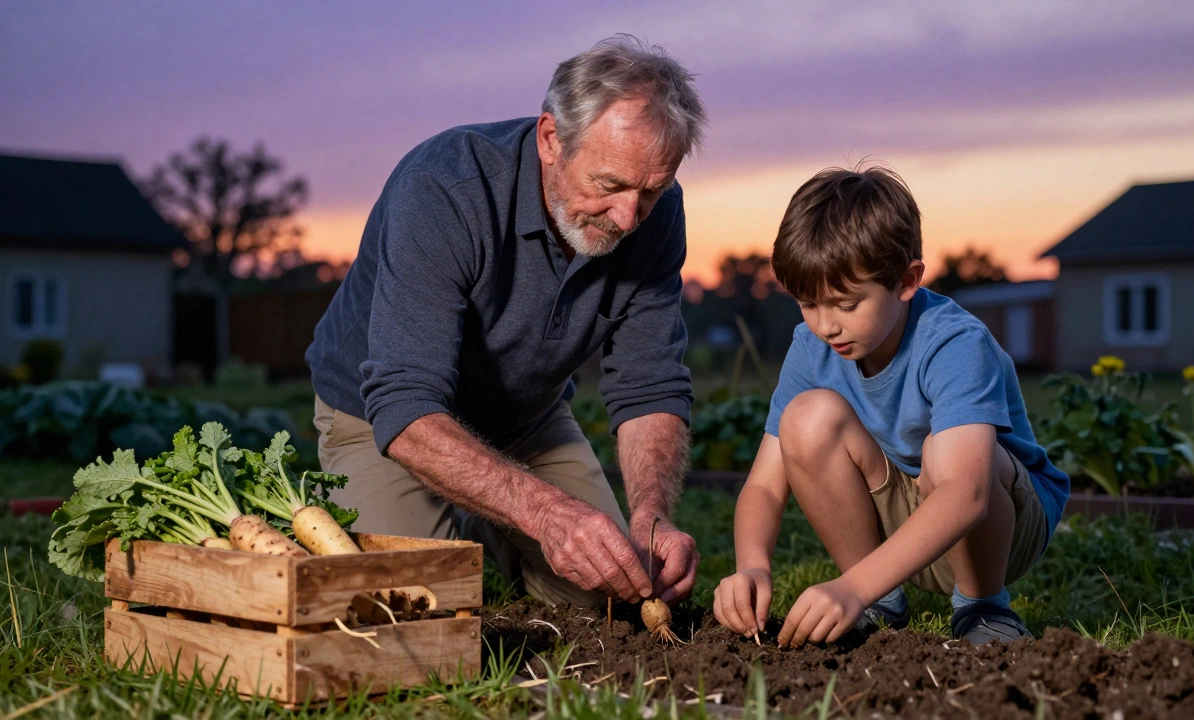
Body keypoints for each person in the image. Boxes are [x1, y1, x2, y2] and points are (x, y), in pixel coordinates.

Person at [305, 36, 707, 608]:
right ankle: (471, 518)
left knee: (614, 597)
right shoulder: (442, 190)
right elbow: (404, 404)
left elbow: (650, 385)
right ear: (551, 139)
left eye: (651, 190)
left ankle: (491, 516)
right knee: (417, 609)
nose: (627, 217)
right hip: (384, 422)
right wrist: (544, 511)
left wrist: (650, 517)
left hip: (523, 419)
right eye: (609, 185)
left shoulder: (656, 215)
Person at [712, 166, 1069, 646]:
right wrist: (751, 566)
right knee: (806, 418)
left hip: (1001, 523)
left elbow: (967, 493)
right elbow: (764, 486)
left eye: (846, 304)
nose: (825, 325)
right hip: (908, 515)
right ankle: (881, 603)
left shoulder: (954, 342)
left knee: (945, 455)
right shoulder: (812, 345)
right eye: (808, 304)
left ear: (906, 280)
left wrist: (849, 589)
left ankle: (982, 608)